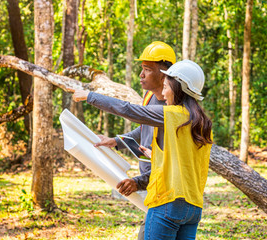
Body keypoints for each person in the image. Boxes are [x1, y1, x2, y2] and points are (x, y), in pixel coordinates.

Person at [71, 59, 213, 239]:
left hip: (167, 202)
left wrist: (89, 96)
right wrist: (119, 142)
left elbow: (129, 110)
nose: (162, 92)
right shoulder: (202, 123)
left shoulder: (171, 114)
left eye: (166, 87)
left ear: (178, 89)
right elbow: (185, 162)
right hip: (193, 208)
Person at [91, 41, 176, 239]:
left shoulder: (173, 105)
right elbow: (144, 129)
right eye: (142, 69)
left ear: (164, 73)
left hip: (163, 189)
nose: (141, 75)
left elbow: (168, 166)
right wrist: (116, 141)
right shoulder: (148, 97)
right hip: (151, 185)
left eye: (147, 69)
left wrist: (138, 182)